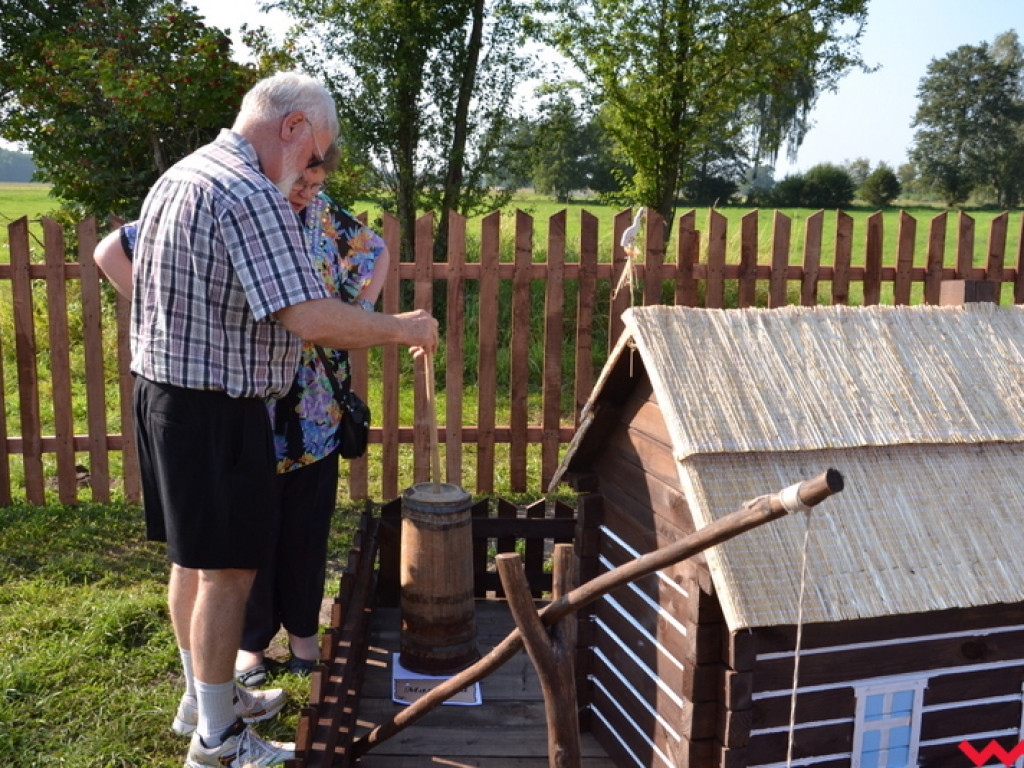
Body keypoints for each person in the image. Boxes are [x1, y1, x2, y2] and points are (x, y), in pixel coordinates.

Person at [122, 71, 437, 768]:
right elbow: (311, 318)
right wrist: (402, 325)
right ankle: (218, 743)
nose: (315, 169)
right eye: (317, 153)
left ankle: (202, 700)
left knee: (194, 563)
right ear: (293, 127)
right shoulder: (247, 191)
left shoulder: (184, 174)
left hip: (166, 397)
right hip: (218, 408)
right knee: (229, 573)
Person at [97, 147, 388, 689]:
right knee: (244, 536)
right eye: (302, 176)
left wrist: (359, 313)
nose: (308, 187)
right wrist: (170, 320)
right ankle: (250, 646)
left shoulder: (330, 221)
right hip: (240, 400)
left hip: (313, 405)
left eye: (318, 178)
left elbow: (377, 252)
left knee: (304, 526)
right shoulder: (235, 207)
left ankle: (303, 634)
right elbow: (112, 250)